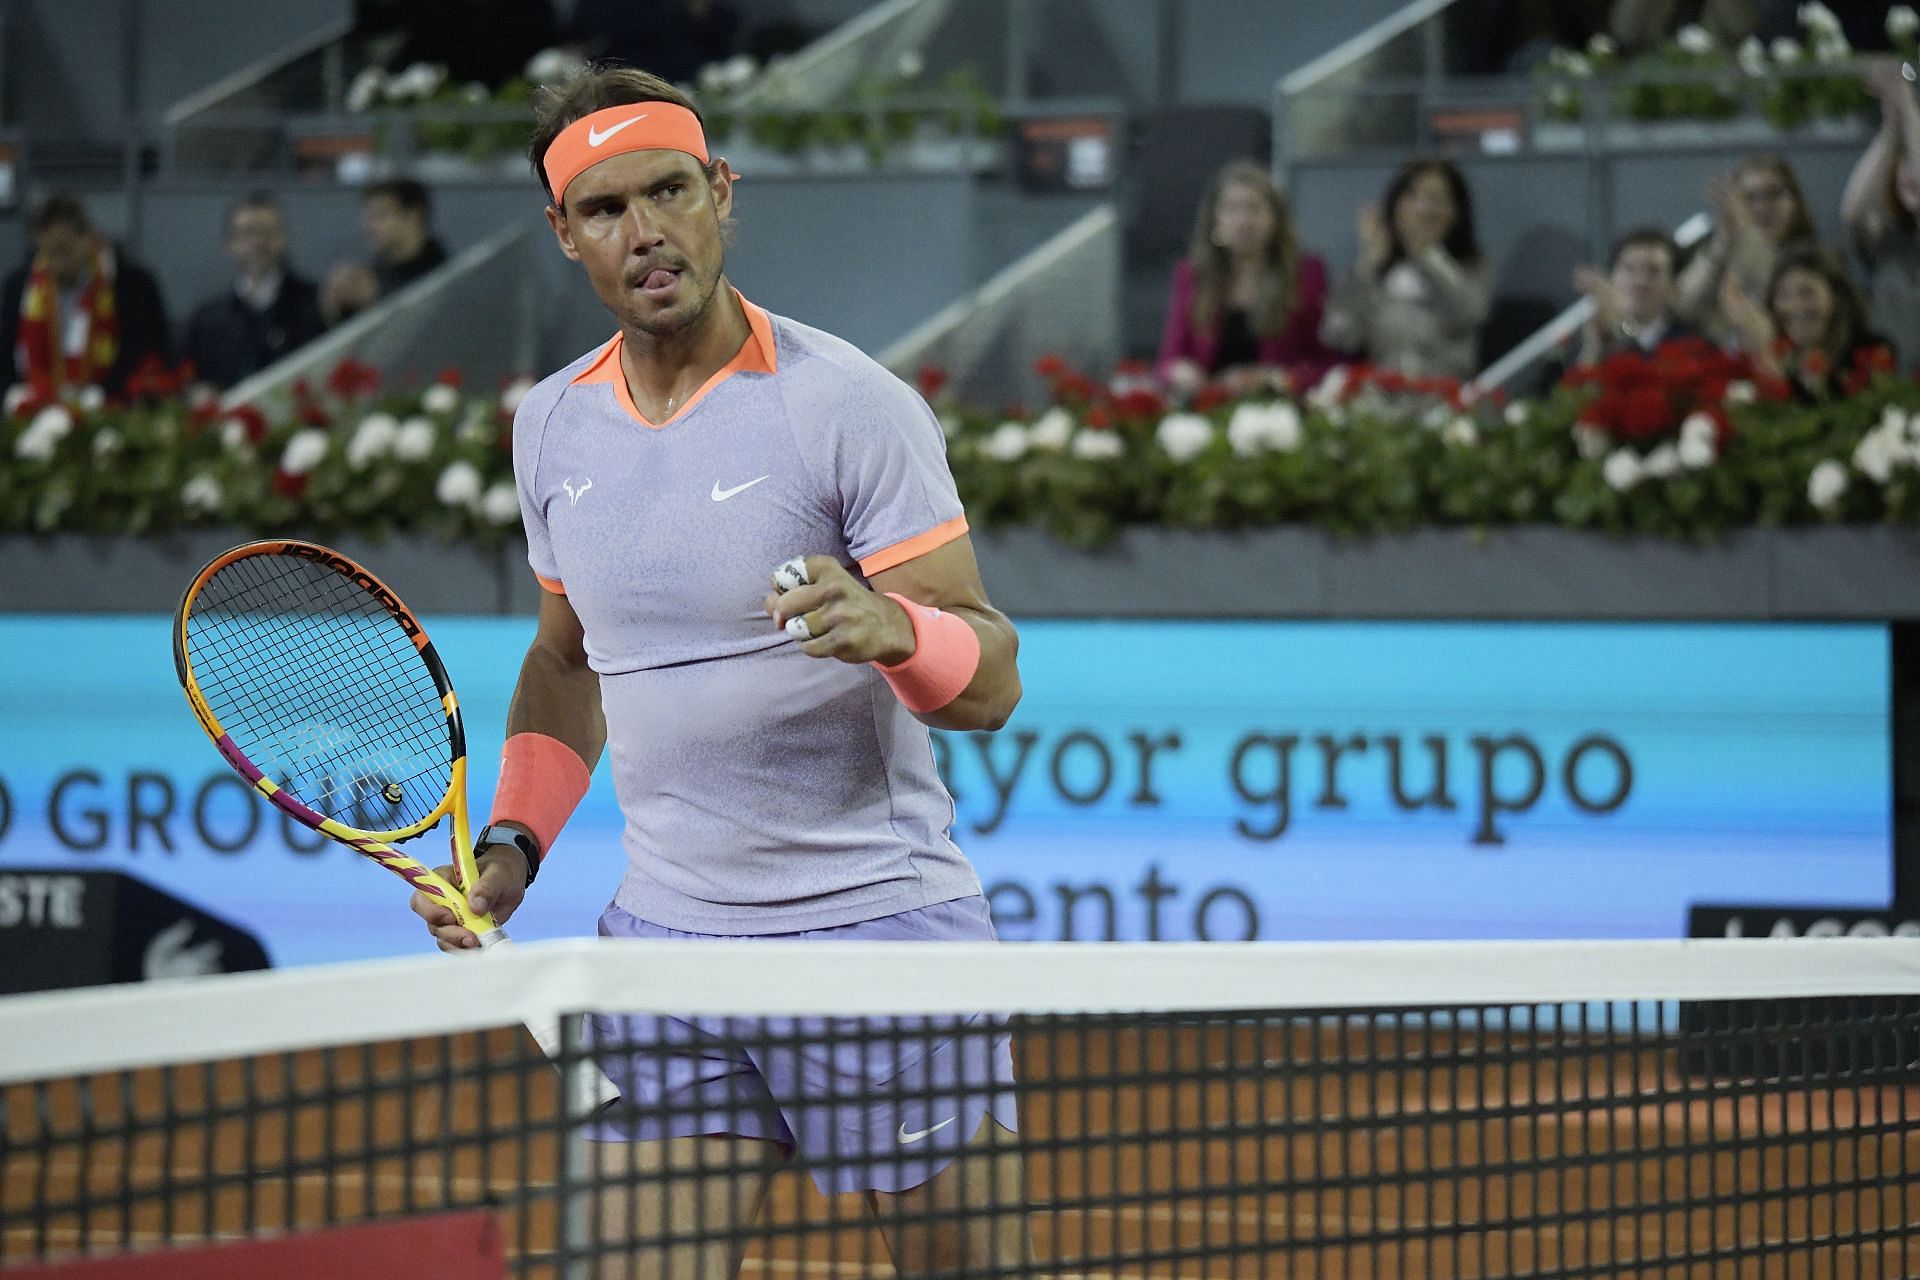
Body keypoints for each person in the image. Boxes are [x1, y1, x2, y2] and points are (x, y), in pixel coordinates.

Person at [407, 66, 1030, 1277]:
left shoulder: (844, 403)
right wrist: (512, 848)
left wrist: (900, 632)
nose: (646, 232)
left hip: (879, 940)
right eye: (605, 209)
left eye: (671, 191)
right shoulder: (548, 424)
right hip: (666, 948)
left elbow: (992, 682)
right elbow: (567, 656)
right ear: (563, 234)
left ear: (721, 193)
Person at [1157, 160, 1339, 395]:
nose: (1243, 221)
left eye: (1254, 209)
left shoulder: (1307, 273)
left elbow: (1330, 362)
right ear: (1215, 221)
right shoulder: (1191, 276)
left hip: (1283, 409)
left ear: (1275, 219)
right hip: (1207, 409)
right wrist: (1179, 371)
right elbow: (1166, 362)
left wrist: (1279, 378)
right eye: (1231, 210)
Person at [1320, 157, 1493, 380]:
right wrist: (1367, 266)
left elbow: (1468, 314)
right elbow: (1338, 334)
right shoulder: (1378, 267)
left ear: (1456, 211)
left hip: (1445, 393)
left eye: (1436, 199)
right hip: (1383, 394)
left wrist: (1425, 254)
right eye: (1412, 197)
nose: (1423, 209)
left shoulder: (1472, 265)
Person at [0, 193, 172, 397]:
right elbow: (5, 357)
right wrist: (14, 394)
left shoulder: (133, 285)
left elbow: (148, 357)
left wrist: (102, 394)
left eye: (66, 250)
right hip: (37, 401)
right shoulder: (20, 287)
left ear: (89, 238)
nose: (60, 262)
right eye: (52, 253)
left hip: (112, 404)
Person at [181, 193, 326, 389]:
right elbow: (188, 378)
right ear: (229, 244)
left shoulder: (316, 303)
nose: (258, 242)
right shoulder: (207, 319)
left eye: (267, 232)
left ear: (284, 238)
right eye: (248, 233)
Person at [1675, 153, 1819, 345]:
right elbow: (1684, 306)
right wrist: (1722, 244)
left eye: (1773, 194)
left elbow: (1765, 288)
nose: (1762, 206)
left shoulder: (1816, 257)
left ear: (1795, 200)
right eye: (1750, 198)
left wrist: (1745, 232)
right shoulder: (1722, 249)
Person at [1721, 245, 1892, 401]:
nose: (1795, 306)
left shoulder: (1871, 353)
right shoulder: (1774, 363)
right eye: (1784, 295)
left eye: (1807, 292)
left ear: (1837, 296)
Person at [1840, 56, 1920, 373]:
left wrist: (1907, 105)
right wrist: (1891, 130)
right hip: (1893, 382)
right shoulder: (1888, 240)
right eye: (1903, 167)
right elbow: (1853, 211)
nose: (1910, 176)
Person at [1567, 227, 1703, 369]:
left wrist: (1620, 326)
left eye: (1653, 271)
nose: (1640, 282)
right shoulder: (1587, 343)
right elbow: (1574, 388)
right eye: (1629, 269)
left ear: (1674, 286)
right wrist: (1593, 350)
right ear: (1611, 278)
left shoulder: (1692, 344)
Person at [322, 178, 449, 323]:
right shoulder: (373, 275)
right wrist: (335, 309)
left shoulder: (447, 276)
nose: (368, 227)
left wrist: (377, 298)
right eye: (367, 218)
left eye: (380, 216)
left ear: (414, 216)